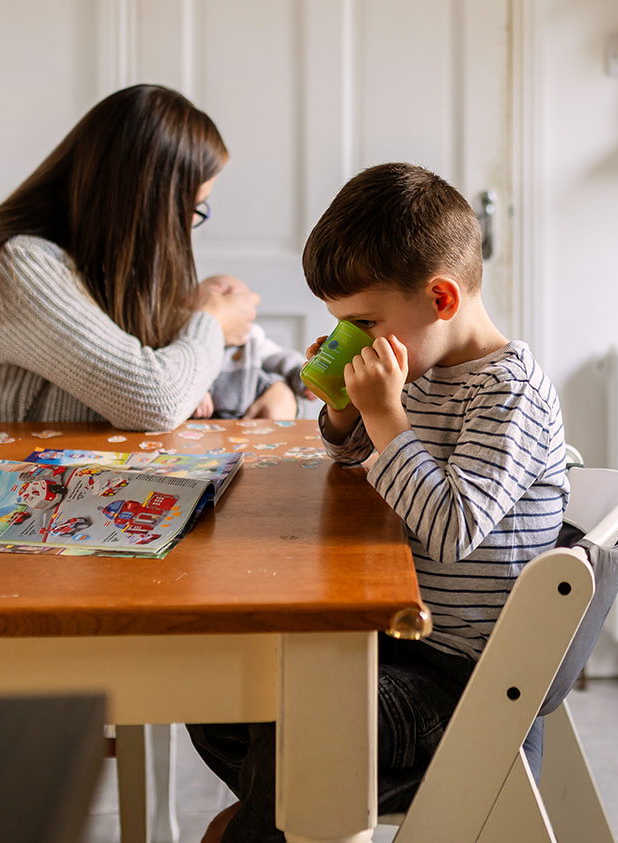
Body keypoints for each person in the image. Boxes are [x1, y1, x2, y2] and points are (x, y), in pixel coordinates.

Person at [188, 163, 570, 842]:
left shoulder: (509, 396)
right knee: (214, 694)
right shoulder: (422, 366)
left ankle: (271, 819)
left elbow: (452, 526)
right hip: (401, 641)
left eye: (363, 321)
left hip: (462, 680)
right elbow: (355, 458)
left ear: (442, 298)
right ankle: (274, 811)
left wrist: (388, 414)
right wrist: (344, 413)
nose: (353, 340)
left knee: (305, 718)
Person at [0, 85, 296, 430]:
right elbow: (156, 400)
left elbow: (142, 361)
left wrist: (276, 389)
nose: (188, 226)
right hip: (20, 483)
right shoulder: (13, 266)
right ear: (144, 205)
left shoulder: (84, 257)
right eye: (192, 209)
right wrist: (212, 323)